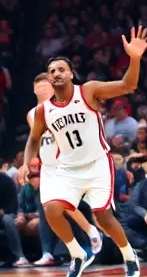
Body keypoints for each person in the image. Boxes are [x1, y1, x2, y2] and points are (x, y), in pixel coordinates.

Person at [24, 28, 147, 277]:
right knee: (51, 209)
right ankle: (77, 253)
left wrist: (135, 58)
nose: (57, 74)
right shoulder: (43, 111)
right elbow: (34, 138)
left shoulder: (89, 91)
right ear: (49, 80)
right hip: (68, 169)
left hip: (97, 164)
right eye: (52, 72)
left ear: (71, 74)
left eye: (61, 69)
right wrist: (28, 161)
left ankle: (129, 256)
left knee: (102, 216)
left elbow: (129, 85)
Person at [24, 72, 101, 266]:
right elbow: (37, 137)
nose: (41, 89)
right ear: (33, 90)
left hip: (66, 162)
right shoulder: (32, 114)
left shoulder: (64, 106)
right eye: (38, 86)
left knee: (63, 203)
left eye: (45, 85)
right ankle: (85, 238)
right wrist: (26, 164)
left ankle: (89, 235)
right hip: (47, 164)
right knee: (55, 208)